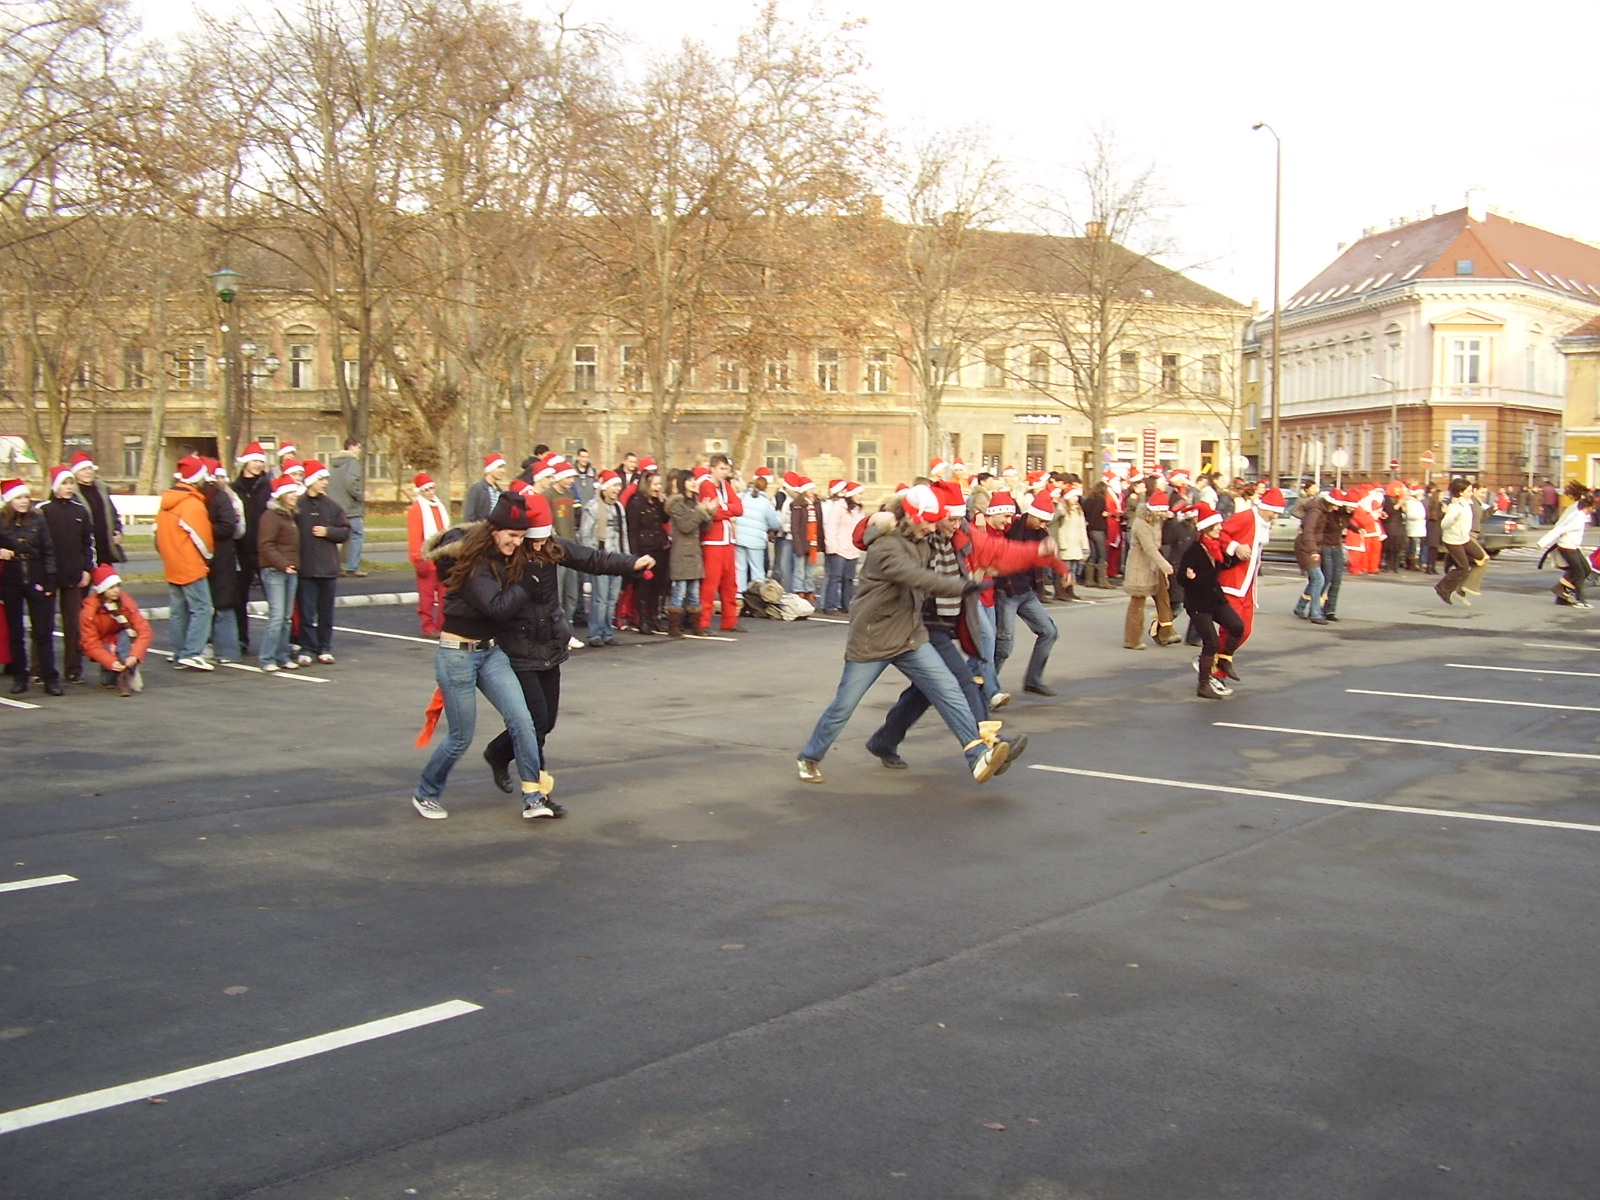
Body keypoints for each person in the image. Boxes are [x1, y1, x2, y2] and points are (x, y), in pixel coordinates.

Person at [796, 484, 1017, 786]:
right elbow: (916, 577)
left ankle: (977, 756)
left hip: (910, 636)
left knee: (949, 690)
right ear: (911, 516)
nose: (931, 528)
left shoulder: (922, 539)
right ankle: (809, 756)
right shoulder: (886, 546)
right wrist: (964, 587)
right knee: (843, 705)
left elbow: (959, 545)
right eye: (928, 522)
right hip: (874, 638)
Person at [481, 490, 655, 796]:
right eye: (532, 540)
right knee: (535, 722)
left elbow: (592, 558)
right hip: (518, 646)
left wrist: (632, 563)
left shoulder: (553, 546)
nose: (537, 545)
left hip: (550, 643)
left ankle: (498, 752)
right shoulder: (505, 553)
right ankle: (537, 792)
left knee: (546, 722)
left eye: (541, 539)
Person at [411, 492, 554, 821]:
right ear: (494, 530)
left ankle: (533, 797)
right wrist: (528, 583)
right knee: (461, 737)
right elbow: (497, 607)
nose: (516, 542)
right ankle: (425, 792)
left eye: (521, 536)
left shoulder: (505, 557)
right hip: (457, 657)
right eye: (512, 535)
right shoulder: (473, 562)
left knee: (523, 722)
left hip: (491, 653)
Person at [1210, 484, 1284, 684]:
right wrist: (1235, 547)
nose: (1275, 517)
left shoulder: (1262, 522)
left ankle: (1217, 660)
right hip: (1233, 581)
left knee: (1245, 630)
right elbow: (1220, 532)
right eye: (1274, 512)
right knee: (1232, 627)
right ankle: (1215, 669)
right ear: (1265, 508)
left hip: (1248, 584)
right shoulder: (1246, 517)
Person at [994, 488, 1061, 696]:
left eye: (1046, 522)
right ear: (1032, 513)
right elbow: (992, 520)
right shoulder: (1013, 524)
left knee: (1049, 632)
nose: (1042, 525)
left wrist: (1062, 570)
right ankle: (986, 688)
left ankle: (1033, 679)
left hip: (1027, 591)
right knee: (1004, 645)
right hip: (1006, 590)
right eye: (1040, 520)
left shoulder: (1043, 533)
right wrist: (978, 515)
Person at [153, 455, 215, 672]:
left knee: (178, 610)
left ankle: (178, 651)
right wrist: (208, 556)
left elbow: (156, 534)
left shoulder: (167, 502)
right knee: (203, 608)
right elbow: (203, 538)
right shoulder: (192, 504)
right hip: (190, 564)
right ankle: (192, 652)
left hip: (171, 563)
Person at [0, 478, 61, 694]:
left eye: (26, 497)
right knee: (16, 633)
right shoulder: (2, 520)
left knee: (43, 632)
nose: (24, 501)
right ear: (10, 500)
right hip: (11, 581)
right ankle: (20, 676)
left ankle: (50, 677)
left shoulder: (38, 520)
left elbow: (49, 550)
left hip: (37, 578)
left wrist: (50, 580)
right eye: (19, 498)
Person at [1179, 503, 1243, 699]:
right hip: (1198, 604)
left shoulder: (1215, 548)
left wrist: (1242, 555)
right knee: (1211, 643)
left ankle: (1224, 660)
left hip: (1215, 599)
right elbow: (1180, 577)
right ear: (1206, 527)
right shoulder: (1194, 551)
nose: (1220, 529)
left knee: (1237, 626)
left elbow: (1225, 564)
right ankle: (1203, 685)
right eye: (1216, 526)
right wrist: (1188, 577)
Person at [40, 465, 94, 682]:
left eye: (71, 483)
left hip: (74, 574)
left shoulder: (80, 511)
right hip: (48, 575)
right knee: (44, 624)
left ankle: (73, 668)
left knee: (73, 624)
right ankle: (40, 668)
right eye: (64, 483)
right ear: (55, 486)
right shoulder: (43, 511)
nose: (69, 487)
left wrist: (87, 569)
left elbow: (87, 543)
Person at [294, 459, 349, 664]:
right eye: (321, 479)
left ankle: (325, 647)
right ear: (311, 481)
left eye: (326, 479)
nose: (325, 482)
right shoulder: (298, 506)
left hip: (328, 569)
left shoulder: (332, 506)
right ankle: (307, 648)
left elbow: (345, 532)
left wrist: (329, 532)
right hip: (306, 569)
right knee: (307, 613)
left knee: (326, 613)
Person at [79, 564, 152, 695]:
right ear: (102, 590)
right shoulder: (89, 611)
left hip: (121, 639)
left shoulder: (126, 602)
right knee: (107, 680)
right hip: (103, 643)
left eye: (118, 586)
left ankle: (125, 674)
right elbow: (90, 643)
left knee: (126, 636)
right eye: (111, 587)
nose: (116, 590)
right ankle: (116, 669)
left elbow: (144, 631)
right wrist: (110, 662)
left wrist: (134, 656)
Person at [257, 473, 305, 671]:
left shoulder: (289, 515)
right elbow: (265, 545)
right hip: (274, 571)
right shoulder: (271, 516)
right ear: (281, 495)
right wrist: (282, 564)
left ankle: (282, 655)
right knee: (277, 616)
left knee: (286, 617)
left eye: (295, 492)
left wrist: (291, 566)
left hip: (290, 570)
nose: (294, 495)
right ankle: (267, 657)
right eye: (290, 492)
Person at [577, 470, 629, 645]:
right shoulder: (592, 507)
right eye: (614, 485)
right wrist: (591, 558)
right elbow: (585, 535)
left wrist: (627, 558)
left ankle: (608, 632)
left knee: (612, 598)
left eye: (619, 486)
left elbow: (623, 534)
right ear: (604, 487)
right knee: (599, 598)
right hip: (600, 559)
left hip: (617, 558)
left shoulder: (619, 507)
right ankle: (595, 633)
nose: (617, 489)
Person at [232, 442, 274, 657]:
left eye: (261, 461)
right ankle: (241, 639)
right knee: (239, 599)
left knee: (274, 599)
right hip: (241, 550)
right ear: (245, 463)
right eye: (255, 460)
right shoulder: (234, 488)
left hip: (265, 549)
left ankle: (278, 643)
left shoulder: (269, 487)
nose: (258, 465)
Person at [1122, 489, 1178, 648]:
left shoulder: (1155, 520)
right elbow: (1149, 547)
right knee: (1137, 603)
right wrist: (1165, 565)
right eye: (1162, 511)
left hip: (1154, 565)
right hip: (1140, 566)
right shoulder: (1141, 524)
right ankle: (1132, 639)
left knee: (1163, 598)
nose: (1163, 514)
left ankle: (1165, 632)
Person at [203, 458, 246, 663]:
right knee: (210, 605)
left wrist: (202, 529)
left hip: (222, 558)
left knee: (223, 605)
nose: (220, 480)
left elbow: (231, 527)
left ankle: (227, 649)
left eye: (222, 477)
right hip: (210, 557)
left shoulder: (222, 498)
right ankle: (211, 645)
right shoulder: (205, 497)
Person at [697, 454, 744, 632]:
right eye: (722, 469)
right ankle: (703, 622)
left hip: (728, 540)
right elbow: (713, 514)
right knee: (710, 584)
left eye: (727, 469)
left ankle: (730, 620)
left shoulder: (726, 486)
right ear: (713, 469)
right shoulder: (706, 485)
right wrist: (727, 509)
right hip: (712, 541)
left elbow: (739, 509)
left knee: (730, 583)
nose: (725, 473)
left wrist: (723, 507)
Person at [666, 470, 713, 636]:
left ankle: (695, 626)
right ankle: (673, 627)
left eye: (694, 480)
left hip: (694, 553)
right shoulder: (677, 505)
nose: (694, 483)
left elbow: (705, 527)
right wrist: (700, 512)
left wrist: (709, 513)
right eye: (689, 480)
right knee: (679, 591)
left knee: (694, 592)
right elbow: (686, 527)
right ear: (682, 483)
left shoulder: (695, 503)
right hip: (681, 553)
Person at [625, 467, 671, 634]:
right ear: (647, 485)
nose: (658, 487)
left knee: (657, 585)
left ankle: (653, 618)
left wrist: (664, 503)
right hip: (645, 548)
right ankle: (643, 620)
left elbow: (665, 519)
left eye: (660, 484)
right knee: (644, 586)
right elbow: (632, 529)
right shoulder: (637, 502)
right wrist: (635, 554)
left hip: (659, 547)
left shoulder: (657, 502)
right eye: (655, 484)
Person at [407, 473, 451, 637]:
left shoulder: (440, 507)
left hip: (442, 558)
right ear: (421, 491)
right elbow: (415, 536)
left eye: (432, 488)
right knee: (427, 597)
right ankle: (428, 626)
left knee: (444, 595)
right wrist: (418, 558)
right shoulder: (417, 509)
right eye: (427, 490)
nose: (431, 492)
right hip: (427, 560)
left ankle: (443, 624)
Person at [1538, 482, 1595, 608]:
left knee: (1585, 570)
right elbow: (1560, 527)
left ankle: (1561, 593)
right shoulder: (1574, 512)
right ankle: (1577, 597)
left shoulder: (1580, 511)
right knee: (1579, 572)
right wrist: (1543, 542)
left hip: (1573, 545)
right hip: (1567, 545)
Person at [1435, 478, 1486, 607]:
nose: (1471, 493)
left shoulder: (1467, 503)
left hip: (1464, 538)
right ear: (1461, 492)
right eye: (1468, 491)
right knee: (1463, 567)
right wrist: (1452, 519)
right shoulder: (1455, 507)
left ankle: (1452, 559)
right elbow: (1444, 524)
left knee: (1480, 557)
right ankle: (1442, 588)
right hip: (1453, 540)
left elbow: (1477, 507)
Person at [68, 450, 122, 566]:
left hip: (105, 546)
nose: (88, 472)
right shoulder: (72, 494)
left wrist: (117, 531)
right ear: (76, 473)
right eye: (83, 469)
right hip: (86, 548)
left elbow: (113, 515)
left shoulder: (102, 490)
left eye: (90, 468)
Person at [819, 480, 863, 614]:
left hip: (852, 548)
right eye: (860, 494)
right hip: (838, 548)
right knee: (836, 577)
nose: (862, 496)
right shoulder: (838, 507)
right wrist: (832, 546)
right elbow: (830, 527)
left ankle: (847, 605)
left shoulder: (859, 510)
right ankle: (830, 605)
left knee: (848, 579)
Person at [734, 470, 781, 590]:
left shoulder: (741, 496)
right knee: (757, 570)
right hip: (756, 540)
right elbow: (774, 524)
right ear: (765, 487)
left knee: (740, 568)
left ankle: (739, 594)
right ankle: (756, 594)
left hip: (739, 537)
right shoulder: (766, 503)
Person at [1292, 485, 1332, 624]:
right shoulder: (1316, 512)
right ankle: (1315, 614)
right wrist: (1313, 550)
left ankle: (1300, 607)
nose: (1336, 509)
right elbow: (1308, 531)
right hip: (1306, 547)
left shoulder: (1323, 511)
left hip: (1311, 546)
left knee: (1315, 580)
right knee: (1318, 579)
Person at [327, 437, 367, 577]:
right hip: (350, 506)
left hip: (334, 505)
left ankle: (334, 566)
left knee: (334, 536)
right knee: (357, 535)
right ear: (351, 447)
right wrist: (359, 496)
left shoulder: (333, 463)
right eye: (358, 447)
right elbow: (351, 482)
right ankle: (353, 566)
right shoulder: (353, 462)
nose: (360, 450)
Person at [463, 452, 508, 523]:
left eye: (503, 467)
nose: (503, 470)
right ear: (490, 469)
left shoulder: (500, 492)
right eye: (499, 467)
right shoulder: (477, 489)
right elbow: (469, 516)